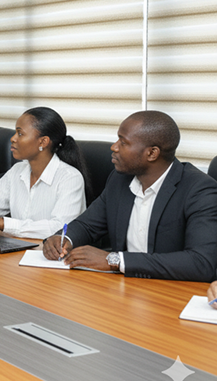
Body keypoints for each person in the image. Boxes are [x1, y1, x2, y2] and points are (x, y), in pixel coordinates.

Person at [43, 111, 217, 282]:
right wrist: (63, 238)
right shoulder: (120, 180)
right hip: (125, 287)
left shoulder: (199, 190)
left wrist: (115, 260)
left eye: (123, 142)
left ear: (152, 153)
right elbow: (87, 224)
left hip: (171, 291)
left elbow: (201, 262)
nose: (114, 147)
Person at [0, 107, 88, 239]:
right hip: (16, 248)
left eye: (20, 134)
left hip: (49, 256)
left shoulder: (70, 178)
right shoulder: (17, 171)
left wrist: (3, 223)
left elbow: (59, 228)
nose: (13, 138)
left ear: (43, 142)